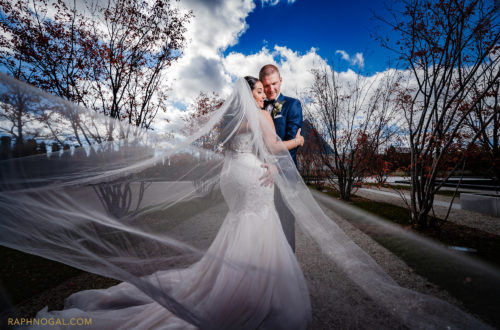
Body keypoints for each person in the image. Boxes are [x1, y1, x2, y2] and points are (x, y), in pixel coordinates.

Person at [30, 76, 312, 329]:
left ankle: (239, 280)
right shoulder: (262, 115)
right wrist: (297, 141)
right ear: (249, 95)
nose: (264, 96)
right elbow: (273, 147)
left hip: (233, 175)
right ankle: (251, 292)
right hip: (253, 175)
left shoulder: (231, 121)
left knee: (241, 220)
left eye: (265, 91)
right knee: (258, 220)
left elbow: (236, 147)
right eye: (260, 91)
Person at [259, 64, 301, 252]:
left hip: (285, 174)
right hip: (259, 175)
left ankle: (288, 272)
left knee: (284, 223)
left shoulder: (293, 105)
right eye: (266, 86)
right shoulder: (257, 107)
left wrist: (277, 167)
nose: (271, 89)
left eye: (274, 83)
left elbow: (292, 142)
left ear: (281, 80)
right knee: (261, 223)